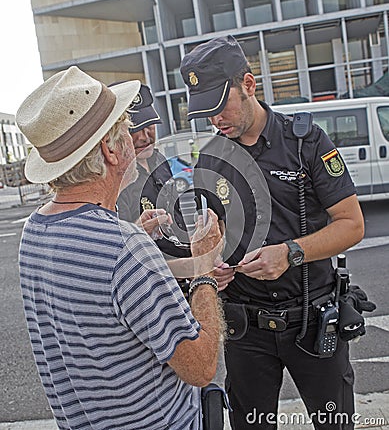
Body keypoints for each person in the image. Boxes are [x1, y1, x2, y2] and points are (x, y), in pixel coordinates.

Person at [16, 65, 224, 430]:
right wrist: (204, 265)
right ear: (110, 151)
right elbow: (201, 367)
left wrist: (131, 238)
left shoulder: (34, 231)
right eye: (126, 129)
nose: (135, 136)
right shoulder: (125, 250)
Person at [180, 35, 366, 429]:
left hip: (311, 321)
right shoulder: (211, 158)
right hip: (246, 330)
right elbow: (215, 238)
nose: (215, 120)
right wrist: (216, 266)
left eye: (220, 105)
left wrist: (290, 253)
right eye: (206, 112)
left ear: (248, 85)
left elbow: (352, 224)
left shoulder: (306, 142)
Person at [117, 83, 191, 261]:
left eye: (149, 125)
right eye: (134, 129)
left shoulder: (160, 160)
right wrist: (137, 232)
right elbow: (116, 249)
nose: (145, 136)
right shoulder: (115, 180)